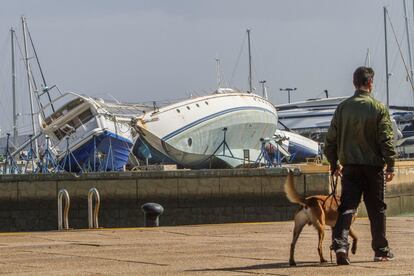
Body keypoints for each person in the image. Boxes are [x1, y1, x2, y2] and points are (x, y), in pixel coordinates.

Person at [324, 66, 396, 265]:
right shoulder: (378, 107)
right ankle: (381, 251)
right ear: (370, 83)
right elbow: (386, 139)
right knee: (377, 209)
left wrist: (333, 162)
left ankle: (340, 246)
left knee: (347, 207)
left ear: (355, 83)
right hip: (373, 168)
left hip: (350, 167)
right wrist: (390, 164)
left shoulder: (343, 108)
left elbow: (330, 140)